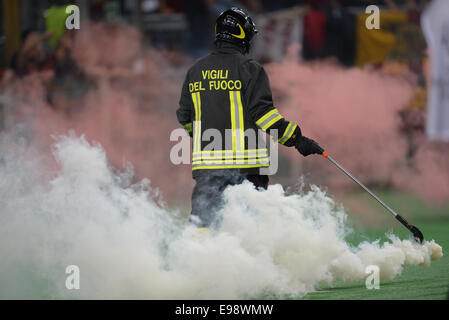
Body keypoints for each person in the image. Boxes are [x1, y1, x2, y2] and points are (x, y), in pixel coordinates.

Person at [176, 7, 323, 229]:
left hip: (207, 170)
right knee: (251, 231)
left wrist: (203, 137)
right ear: (242, 35)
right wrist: (297, 139)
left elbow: (185, 116)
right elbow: (264, 116)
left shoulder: (195, 71)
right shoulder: (250, 69)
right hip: (246, 171)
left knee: (204, 229)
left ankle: (199, 264)